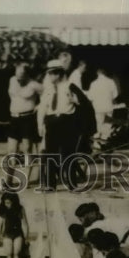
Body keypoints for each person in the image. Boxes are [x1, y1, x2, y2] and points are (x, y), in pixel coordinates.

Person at [37, 59, 83, 191]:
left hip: (67, 122)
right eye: (49, 73)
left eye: (54, 73)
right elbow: (42, 108)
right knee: (50, 154)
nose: (51, 76)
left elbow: (83, 102)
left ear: (60, 74)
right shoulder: (48, 89)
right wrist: (40, 125)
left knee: (69, 154)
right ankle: (51, 184)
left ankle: (72, 184)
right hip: (51, 123)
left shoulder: (70, 86)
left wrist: (74, 100)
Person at [0, 191, 29, 258]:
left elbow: (25, 224)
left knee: (16, 254)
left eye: (9, 203)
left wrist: (26, 238)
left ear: (13, 202)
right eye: (6, 203)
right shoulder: (4, 209)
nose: (7, 205)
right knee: (9, 254)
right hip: (7, 234)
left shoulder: (20, 209)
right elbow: (0, 225)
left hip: (18, 234)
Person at [88, 65, 118, 136]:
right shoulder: (111, 81)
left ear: (97, 73)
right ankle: (105, 142)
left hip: (98, 107)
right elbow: (116, 94)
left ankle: (98, 144)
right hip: (108, 106)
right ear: (105, 73)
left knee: (99, 125)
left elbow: (90, 97)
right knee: (107, 125)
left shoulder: (93, 84)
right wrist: (110, 98)